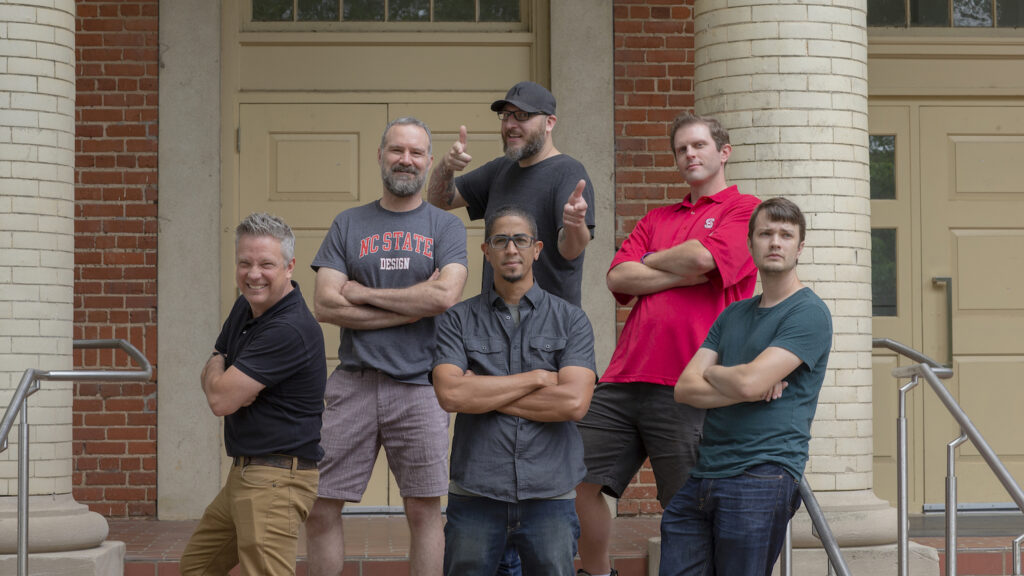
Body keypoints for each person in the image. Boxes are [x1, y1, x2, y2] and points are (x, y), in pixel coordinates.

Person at [574, 113, 761, 576]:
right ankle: (597, 573)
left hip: (687, 380)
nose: (690, 155)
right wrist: (677, 267)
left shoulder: (747, 212)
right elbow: (617, 276)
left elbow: (703, 257)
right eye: (681, 149)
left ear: (724, 152)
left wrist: (652, 266)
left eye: (698, 145)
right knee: (574, 480)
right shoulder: (656, 218)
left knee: (686, 503)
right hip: (623, 377)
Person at [304, 117, 469, 576]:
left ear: (429, 161)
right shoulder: (348, 223)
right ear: (380, 156)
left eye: (416, 153)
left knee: (423, 512)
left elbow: (443, 296)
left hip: (420, 387)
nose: (406, 160)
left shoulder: (444, 228)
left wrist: (362, 292)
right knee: (320, 506)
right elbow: (325, 304)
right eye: (397, 150)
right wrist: (411, 308)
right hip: (352, 383)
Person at [660, 197, 833, 575]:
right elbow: (684, 389)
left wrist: (728, 375)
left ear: (799, 247)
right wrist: (742, 383)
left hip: (763, 472)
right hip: (705, 473)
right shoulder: (733, 314)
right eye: (766, 233)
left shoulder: (809, 312)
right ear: (750, 243)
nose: (775, 242)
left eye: (786, 235)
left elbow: (751, 381)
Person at [432, 206, 597, 576]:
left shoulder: (570, 319)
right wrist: (538, 377)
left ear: (537, 248)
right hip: (477, 492)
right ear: (486, 250)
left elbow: (573, 402)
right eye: (500, 240)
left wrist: (483, 392)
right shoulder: (457, 319)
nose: (511, 249)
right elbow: (451, 396)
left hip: (549, 494)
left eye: (520, 240)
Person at [179, 213, 326, 576]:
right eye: (244, 263)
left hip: (275, 480)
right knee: (197, 566)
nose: (253, 274)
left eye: (266, 264)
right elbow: (218, 366)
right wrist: (223, 371)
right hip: (244, 473)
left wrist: (223, 373)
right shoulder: (247, 305)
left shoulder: (289, 328)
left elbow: (220, 400)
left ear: (290, 266)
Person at [426, 80, 595, 306]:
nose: (510, 125)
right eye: (506, 116)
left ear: (549, 122)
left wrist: (575, 224)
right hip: (494, 324)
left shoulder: (568, 172)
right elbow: (439, 201)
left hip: (548, 327)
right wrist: (446, 167)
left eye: (522, 115)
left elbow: (570, 250)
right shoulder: (499, 170)